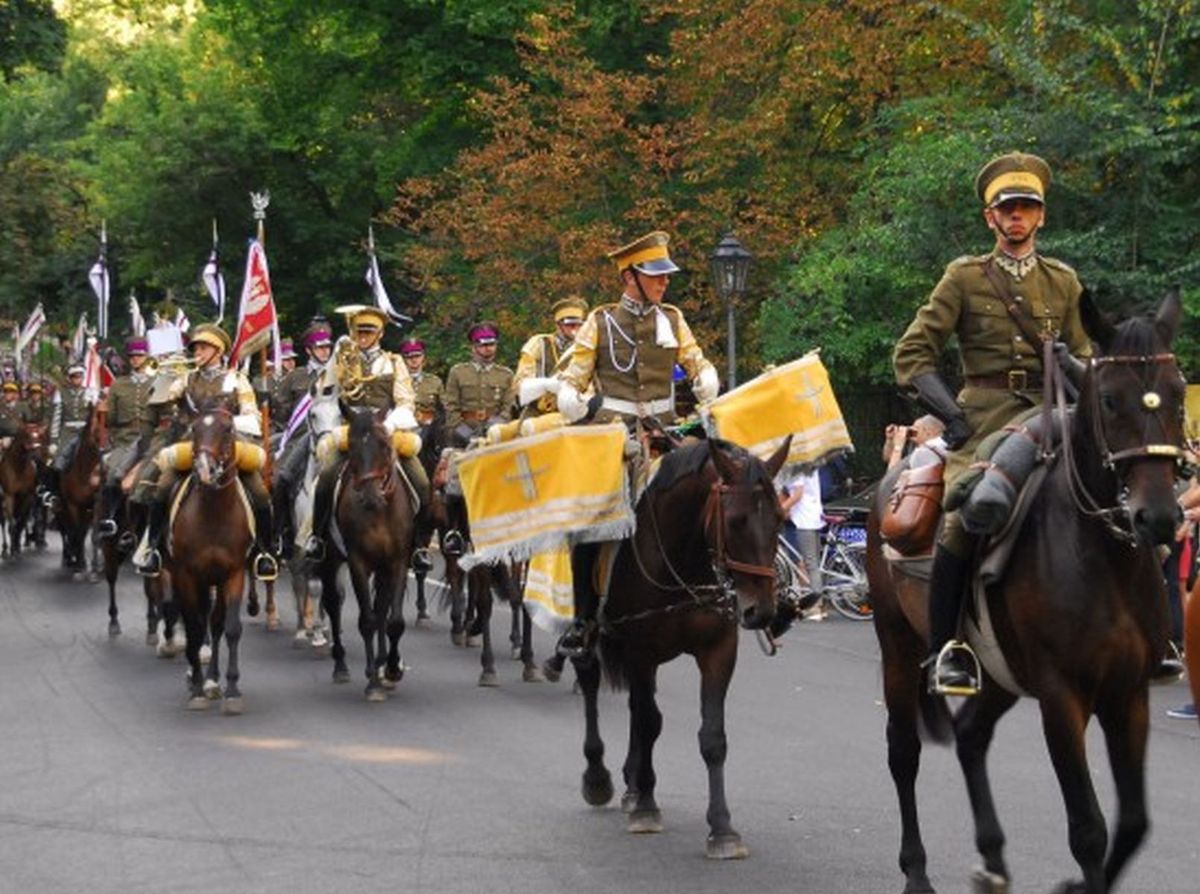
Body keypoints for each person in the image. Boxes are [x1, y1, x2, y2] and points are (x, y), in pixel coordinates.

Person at [893, 151, 1092, 696]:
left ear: (1042, 216)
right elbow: (911, 354)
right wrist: (952, 418)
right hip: (983, 421)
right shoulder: (964, 277)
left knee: (1120, 494)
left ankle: (1149, 633)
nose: (1017, 218)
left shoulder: (1064, 281)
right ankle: (947, 650)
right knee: (964, 517)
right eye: (1007, 209)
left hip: (1054, 413)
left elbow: (1083, 355)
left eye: (1027, 208)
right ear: (990, 218)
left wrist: (1080, 375)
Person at [552, 230, 719, 656]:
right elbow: (574, 377)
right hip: (614, 434)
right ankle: (584, 618)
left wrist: (705, 380)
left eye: (666, 276)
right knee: (590, 520)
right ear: (630, 277)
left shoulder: (674, 318)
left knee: (716, 491)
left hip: (664, 431)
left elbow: (696, 360)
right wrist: (572, 398)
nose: (664, 283)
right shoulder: (601, 320)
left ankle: (724, 590)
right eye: (655, 275)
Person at [134, 323, 277, 581]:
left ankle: (264, 552)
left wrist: (224, 425)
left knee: (260, 492)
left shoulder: (236, 379)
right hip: (192, 442)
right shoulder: (186, 378)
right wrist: (167, 372)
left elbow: (251, 417)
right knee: (163, 486)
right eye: (196, 348)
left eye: (203, 347)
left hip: (227, 443)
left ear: (218, 350)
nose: (197, 352)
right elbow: (157, 400)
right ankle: (153, 548)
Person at [303, 306, 432, 570]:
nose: (363, 336)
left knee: (422, 482)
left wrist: (389, 425)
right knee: (326, 478)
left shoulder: (394, 362)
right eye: (359, 331)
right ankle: (317, 538)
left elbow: (406, 400)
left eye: (369, 331)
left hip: (385, 430)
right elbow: (325, 396)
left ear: (380, 333)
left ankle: (419, 546)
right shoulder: (341, 361)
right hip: (352, 431)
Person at [272, 318, 334, 555]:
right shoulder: (295, 377)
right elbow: (282, 411)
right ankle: (280, 534)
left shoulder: (339, 374)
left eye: (327, 347)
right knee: (282, 479)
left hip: (332, 436)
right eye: (319, 347)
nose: (324, 351)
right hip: (302, 437)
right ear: (308, 350)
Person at [95, 339, 155, 544]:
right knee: (114, 474)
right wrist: (103, 409)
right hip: (125, 438)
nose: (136, 359)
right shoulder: (119, 384)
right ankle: (111, 518)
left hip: (152, 438)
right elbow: (110, 420)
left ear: (147, 357)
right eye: (132, 356)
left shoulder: (156, 381)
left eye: (140, 355)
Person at [511, 296, 588, 416]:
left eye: (580, 325)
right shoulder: (539, 343)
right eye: (570, 325)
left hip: (574, 411)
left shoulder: (585, 349)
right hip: (538, 411)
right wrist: (548, 384)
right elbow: (520, 385)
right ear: (558, 325)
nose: (576, 329)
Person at [443, 323, 513, 443]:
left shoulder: (506, 374)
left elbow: (508, 407)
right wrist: (463, 431)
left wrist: (497, 425)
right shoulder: (458, 372)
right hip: (462, 432)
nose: (488, 349)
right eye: (483, 345)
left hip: (495, 432)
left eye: (492, 344)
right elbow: (450, 406)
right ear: (474, 347)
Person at [780, 468, 826, 619]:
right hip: (813, 516)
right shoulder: (811, 465)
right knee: (812, 563)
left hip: (805, 519)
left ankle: (815, 607)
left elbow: (798, 494)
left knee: (810, 563)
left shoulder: (797, 467)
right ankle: (815, 604)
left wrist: (780, 509)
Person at [400, 339, 444, 427]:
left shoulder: (434, 382)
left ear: (423, 357)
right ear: (403, 359)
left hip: (429, 428)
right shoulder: (397, 381)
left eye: (417, 356)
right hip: (403, 427)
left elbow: (445, 408)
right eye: (409, 357)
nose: (414, 360)